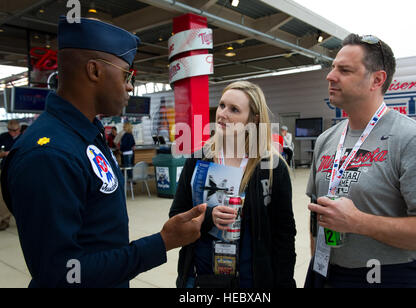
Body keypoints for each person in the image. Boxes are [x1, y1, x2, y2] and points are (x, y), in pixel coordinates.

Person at [0, 16, 206, 288]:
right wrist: (162, 242)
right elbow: (61, 274)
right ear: (94, 71)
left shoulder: (86, 135)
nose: (131, 86)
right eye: (127, 74)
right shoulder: (49, 154)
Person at [305, 33, 416, 288]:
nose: (330, 76)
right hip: (328, 274)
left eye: (345, 70)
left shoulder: (413, 139)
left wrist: (358, 222)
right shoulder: (326, 140)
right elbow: (317, 213)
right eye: (332, 67)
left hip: (394, 277)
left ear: (377, 79)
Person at [170, 81, 297, 288]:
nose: (223, 114)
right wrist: (208, 217)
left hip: (252, 280)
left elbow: (284, 234)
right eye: (222, 105)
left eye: (234, 109)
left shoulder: (271, 166)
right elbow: (176, 216)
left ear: (253, 119)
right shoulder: (199, 159)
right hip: (201, 277)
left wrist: (284, 283)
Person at [0, 120, 21, 231]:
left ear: (19, 129)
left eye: (15, 130)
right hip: (4, 169)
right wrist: (4, 154)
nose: (12, 133)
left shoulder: (25, 138)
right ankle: (4, 220)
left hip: (20, 170)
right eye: (10, 130)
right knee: (3, 196)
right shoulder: (3, 137)